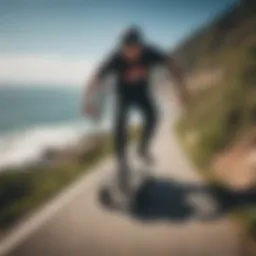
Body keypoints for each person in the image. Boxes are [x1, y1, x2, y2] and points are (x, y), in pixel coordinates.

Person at [83, 26, 187, 193]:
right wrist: (86, 101)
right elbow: (95, 78)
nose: (131, 53)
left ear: (140, 45)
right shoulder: (115, 58)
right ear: (122, 47)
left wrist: (180, 90)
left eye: (135, 48)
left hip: (142, 94)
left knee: (154, 117)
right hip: (123, 96)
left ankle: (142, 148)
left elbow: (172, 63)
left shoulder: (149, 52)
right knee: (119, 128)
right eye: (127, 49)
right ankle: (122, 164)